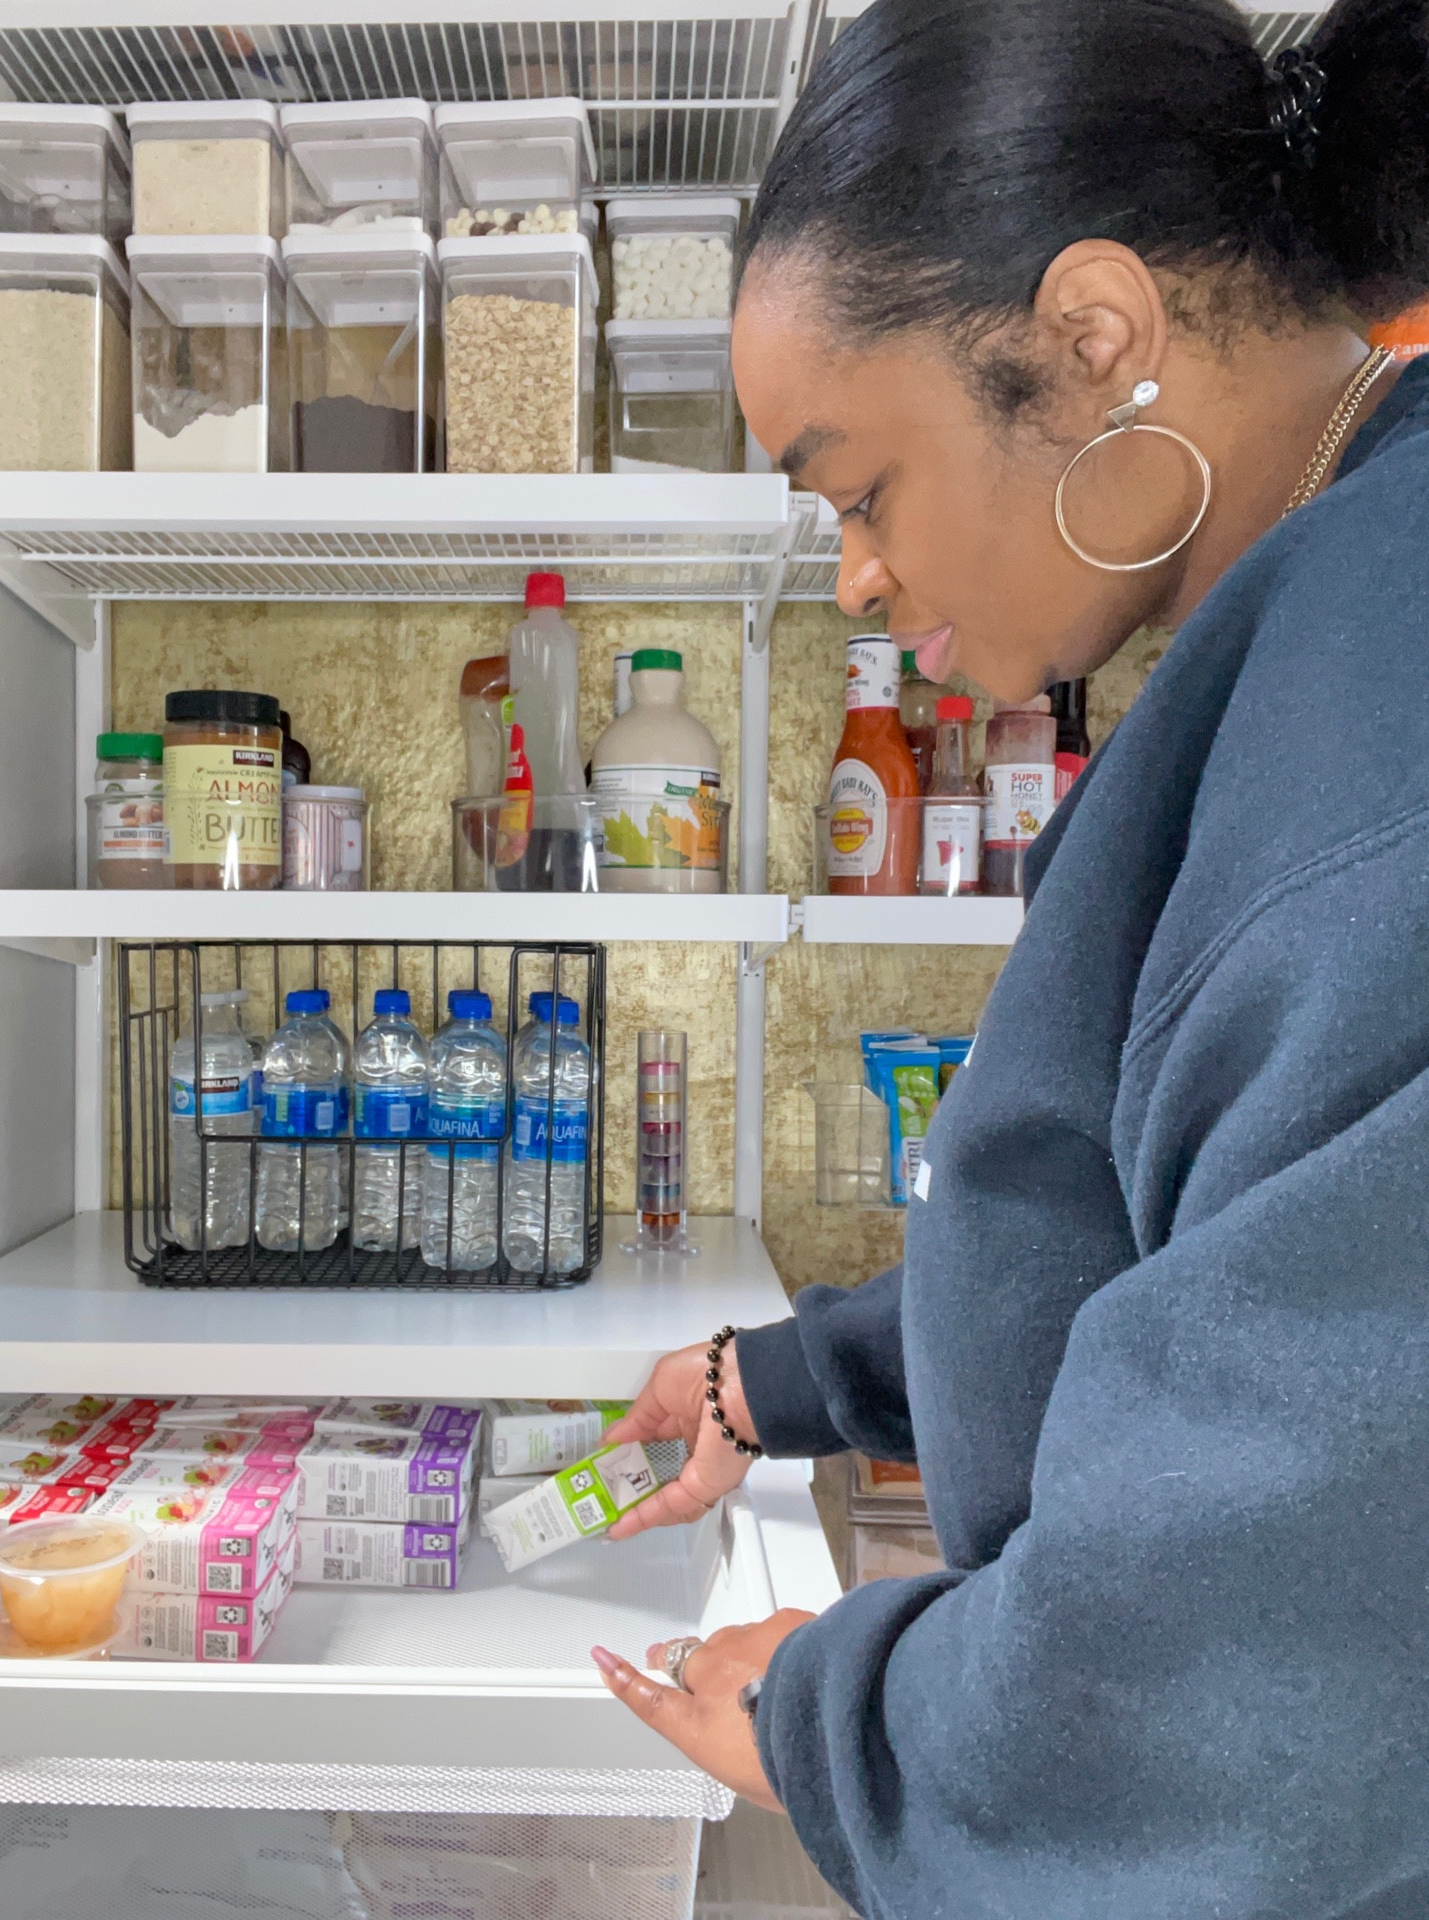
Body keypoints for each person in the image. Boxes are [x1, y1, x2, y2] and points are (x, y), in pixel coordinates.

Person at [586, 0, 1429, 1914]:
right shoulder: (1299, 633)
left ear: (1093, 340)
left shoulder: (1382, 702)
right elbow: (1232, 1245)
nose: (857, 577)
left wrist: (842, 1722)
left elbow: (1284, 1640)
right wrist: (782, 1379)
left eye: (859, 488)